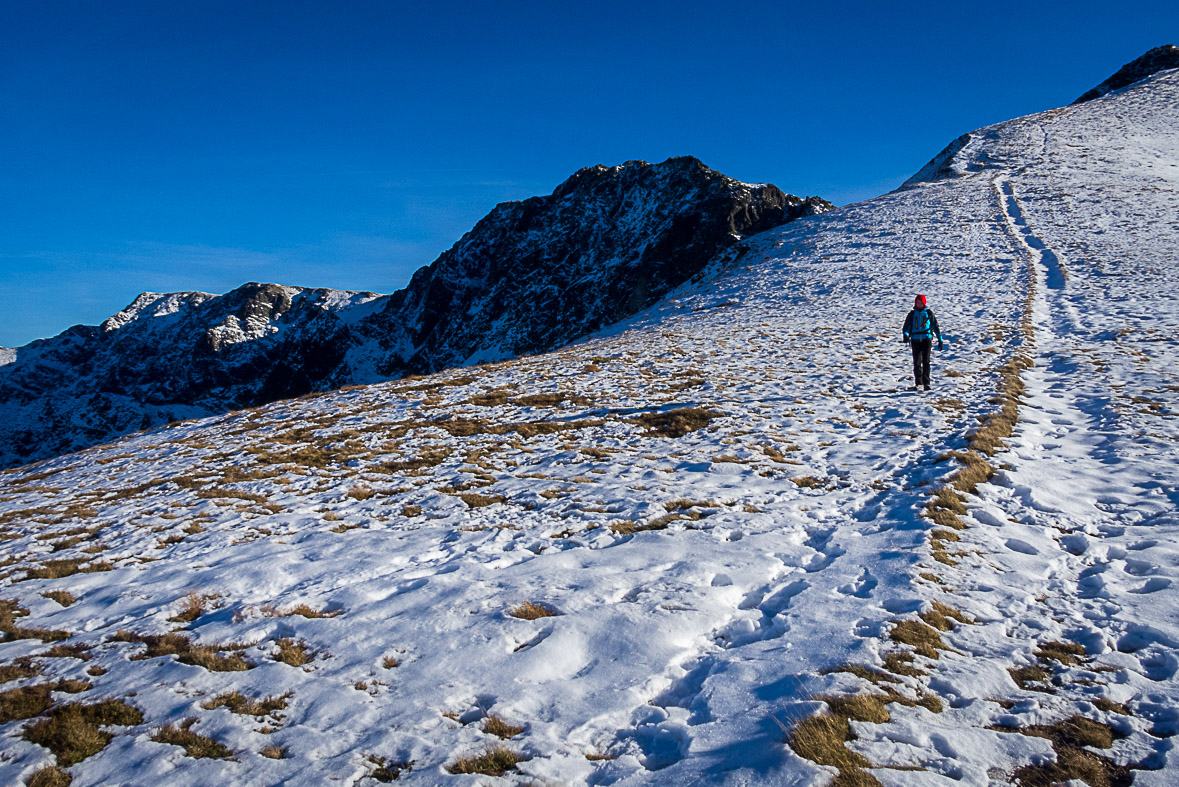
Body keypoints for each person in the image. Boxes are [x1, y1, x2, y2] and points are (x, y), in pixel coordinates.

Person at [902, 294, 943, 391]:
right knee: (917, 362)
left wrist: (940, 339)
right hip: (915, 340)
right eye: (917, 303)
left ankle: (926, 383)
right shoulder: (911, 314)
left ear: (924, 303)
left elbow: (935, 327)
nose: (919, 305)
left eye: (921, 303)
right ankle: (918, 383)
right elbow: (906, 327)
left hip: (926, 339)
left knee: (926, 361)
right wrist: (906, 335)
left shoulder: (929, 313)